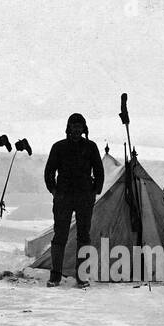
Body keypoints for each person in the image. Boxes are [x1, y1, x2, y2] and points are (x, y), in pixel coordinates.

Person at [44, 113, 104, 286]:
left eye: (79, 127)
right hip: (63, 197)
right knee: (60, 235)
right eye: (73, 127)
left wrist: (94, 192)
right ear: (68, 128)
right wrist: (54, 191)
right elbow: (49, 172)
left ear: (83, 129)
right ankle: (55, 276)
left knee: (84, 236)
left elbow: (99, 172)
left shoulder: (91, 147)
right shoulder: (59, 147)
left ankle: (82, 276)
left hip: (84, 197)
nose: (76, 131)